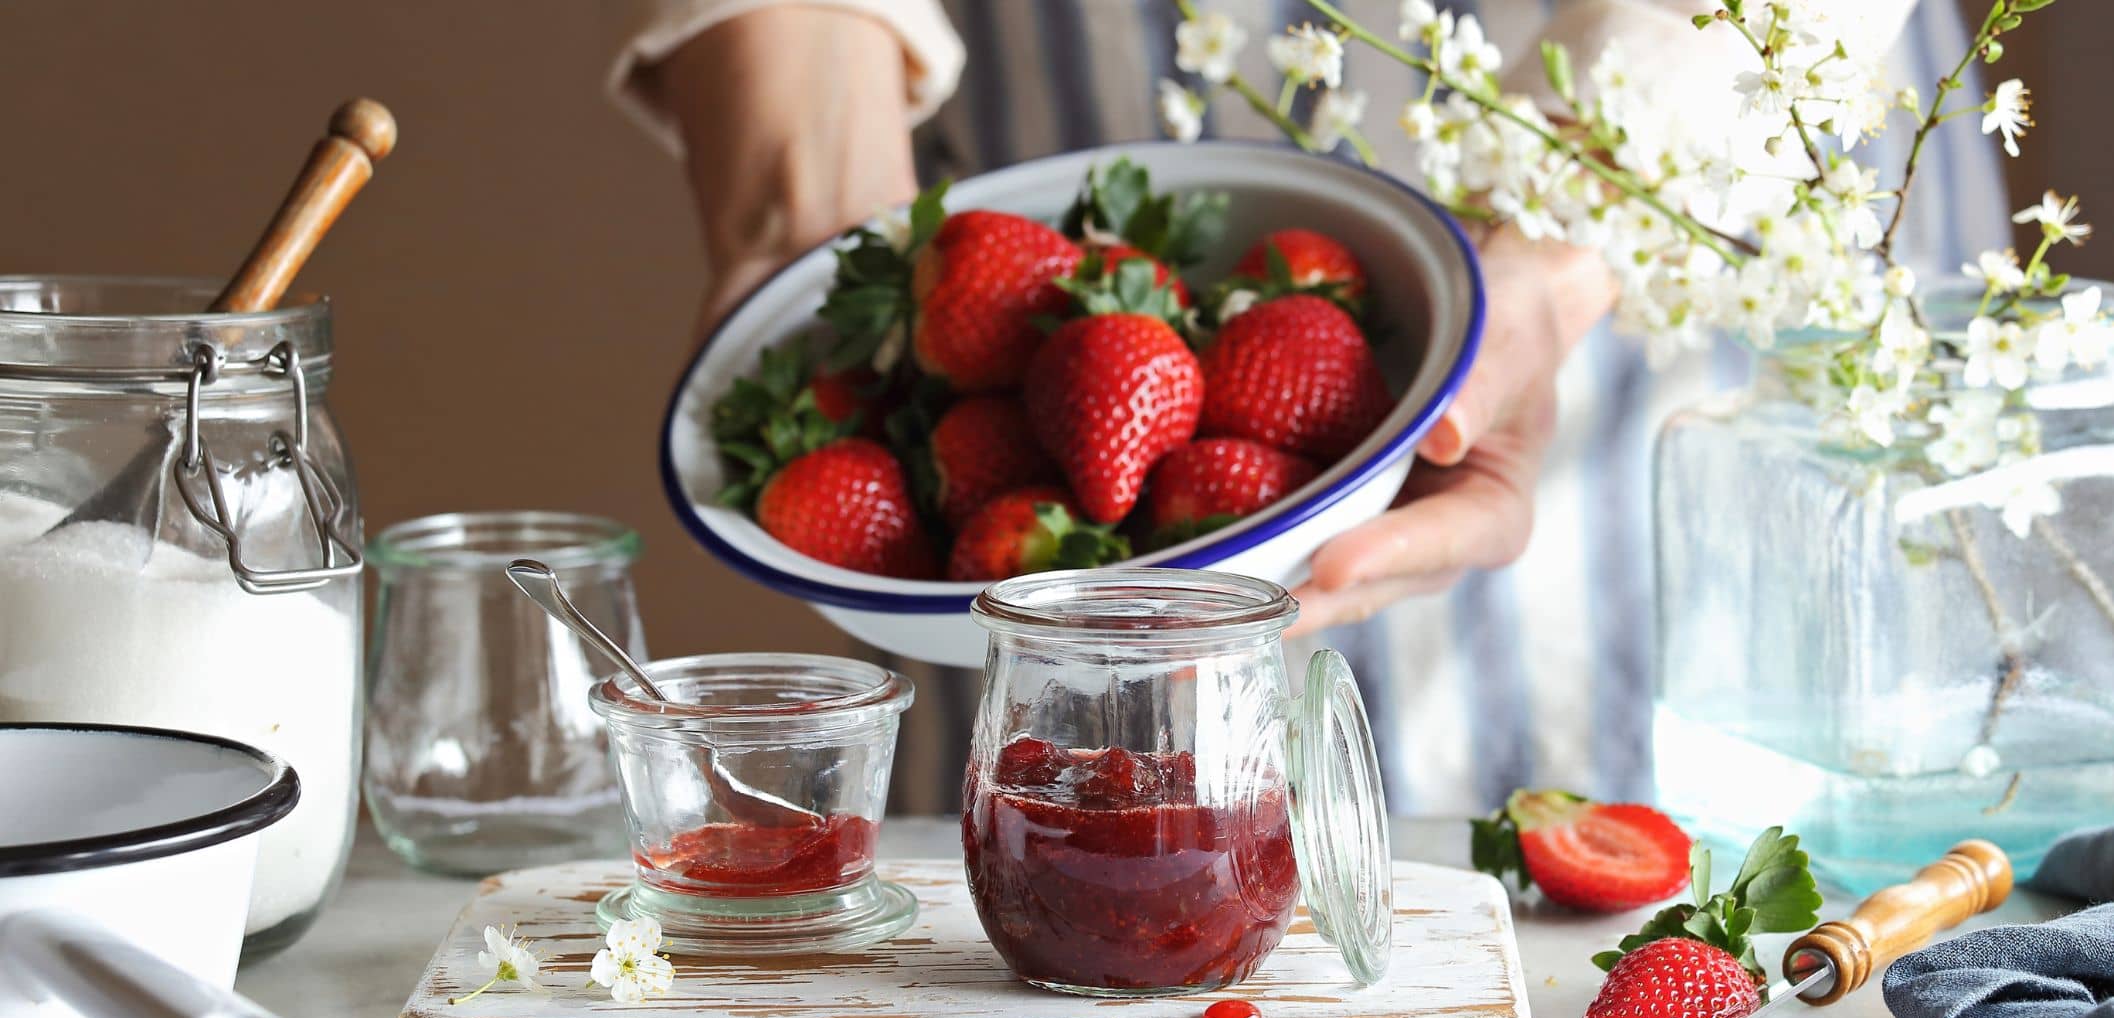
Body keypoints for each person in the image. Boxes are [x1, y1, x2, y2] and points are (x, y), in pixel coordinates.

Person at [608, 0, 2009, 813]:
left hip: (1717, 163)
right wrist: (812, 238)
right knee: (1097, 921)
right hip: (1086, 209)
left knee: (1760, 928)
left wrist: (1543, 240)